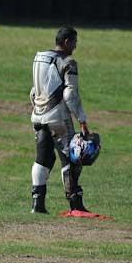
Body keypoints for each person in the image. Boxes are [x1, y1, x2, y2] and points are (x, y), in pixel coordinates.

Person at [29, 26, 92, 214]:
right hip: (58, 118)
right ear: (66, 42)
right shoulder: (68, 62)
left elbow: (34, 91)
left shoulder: (39, 57)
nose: (75, 46)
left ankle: (37, 204)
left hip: (38, 116)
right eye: (74, 42)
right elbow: (69, 93)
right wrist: (82, 120)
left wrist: (37, 108)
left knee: (43, 159)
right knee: (71, 159)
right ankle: (76, 205)